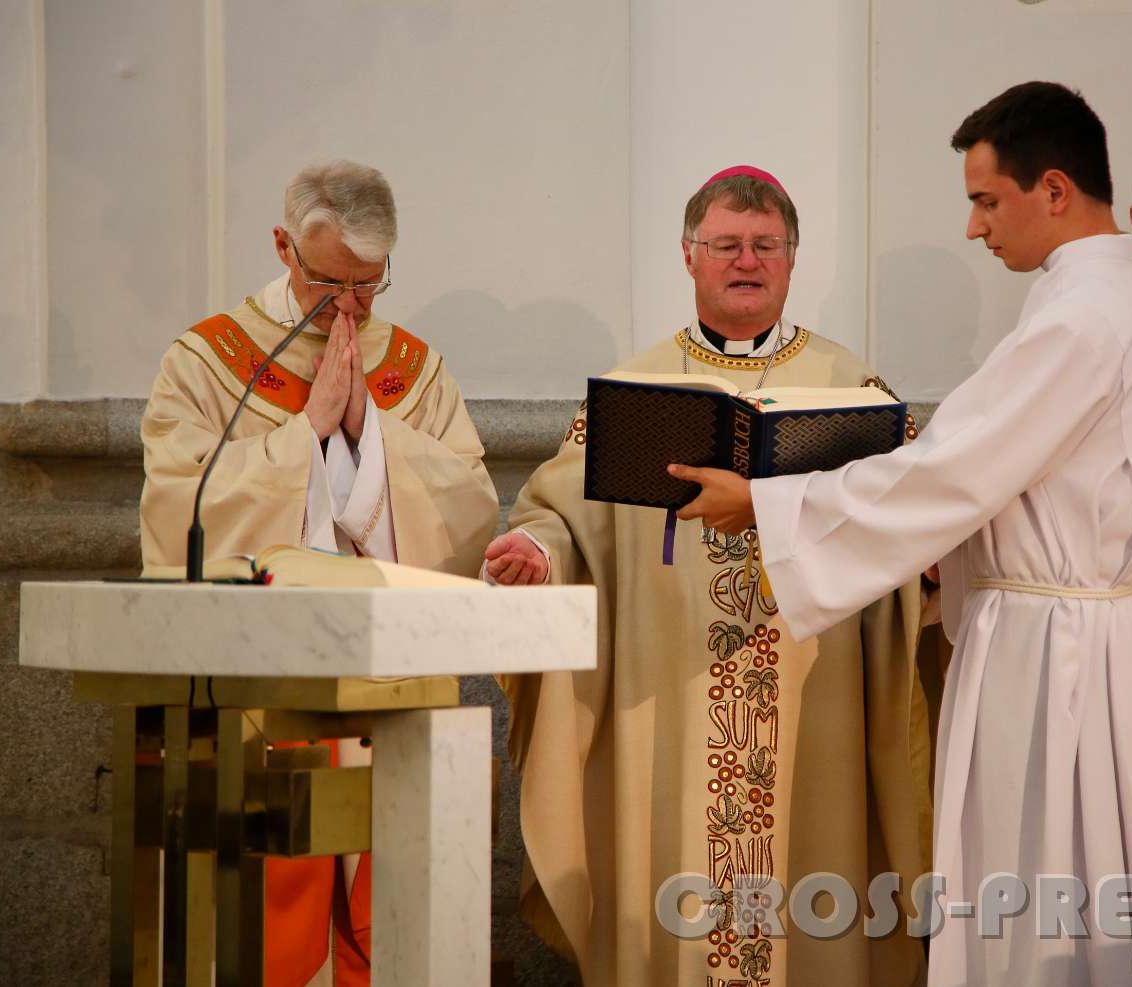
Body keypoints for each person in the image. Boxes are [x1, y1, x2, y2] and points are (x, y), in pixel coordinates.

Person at [674, 83, 1132, 986]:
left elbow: (951, 472)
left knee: (1047, 888)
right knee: (1112, 887)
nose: (975, 229)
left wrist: (766, 506)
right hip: (1110, 636)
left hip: (1056, 661)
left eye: (984, 200)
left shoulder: (1080, 318)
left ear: (1052, 190)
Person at [485, 166, 934, 986]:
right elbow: (562, 507)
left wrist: (928, 560)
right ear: (688, 256)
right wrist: (539, 553)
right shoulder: (634, 390)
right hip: (668, 699)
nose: (746, 261)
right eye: (726, 244)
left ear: (792, 261)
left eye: (766, 246)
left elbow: (912, 514)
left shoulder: (854, 392)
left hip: (815, 697)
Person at [139, 159, 500, 986]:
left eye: (367, 287)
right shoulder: (205, 363)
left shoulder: (415, 369)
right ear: (282, 246)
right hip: (253, 694)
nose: (347, 307)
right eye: (328, 281)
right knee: (264, 924)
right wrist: (306, 432)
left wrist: (370, 429)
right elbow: (177, 510)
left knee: (390, 917)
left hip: (386, 692)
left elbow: (471, 503)